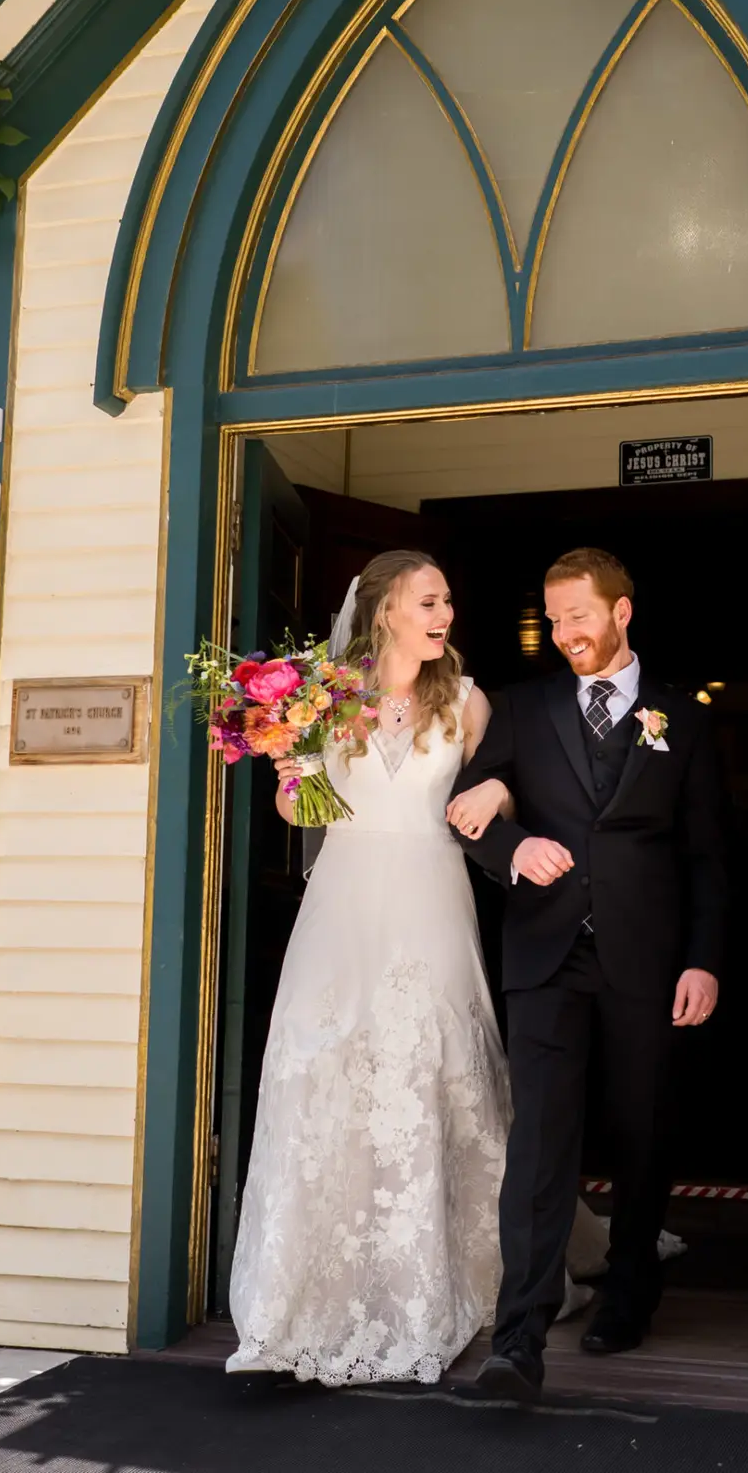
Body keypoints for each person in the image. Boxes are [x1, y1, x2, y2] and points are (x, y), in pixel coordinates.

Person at [442, 547, 729, 1405]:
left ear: (621, 612)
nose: (566, 631)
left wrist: (705, 958)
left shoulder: (682, 717)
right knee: (539, 1144)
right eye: (555, 616)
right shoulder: (524, 710)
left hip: (648, 955)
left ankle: (631, 1291)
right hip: (546, 953)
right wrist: (510, 844)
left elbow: (709, 855)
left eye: (579, 615)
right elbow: (465, 809)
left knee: (641, 1131)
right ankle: (519, 1337)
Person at [223, 550, 511, 1386]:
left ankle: (440, 1285)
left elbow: (494, 799)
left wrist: (499, 799)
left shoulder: (465, 700)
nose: (443, 612)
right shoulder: (324, 694)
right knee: (328, 1068)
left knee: (431, 1066)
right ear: (384, 609)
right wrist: (289, 768)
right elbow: (299, 808)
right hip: (342, 901)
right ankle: (301, 1293)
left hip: (430, 896)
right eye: (429, 599)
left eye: (448, 600)